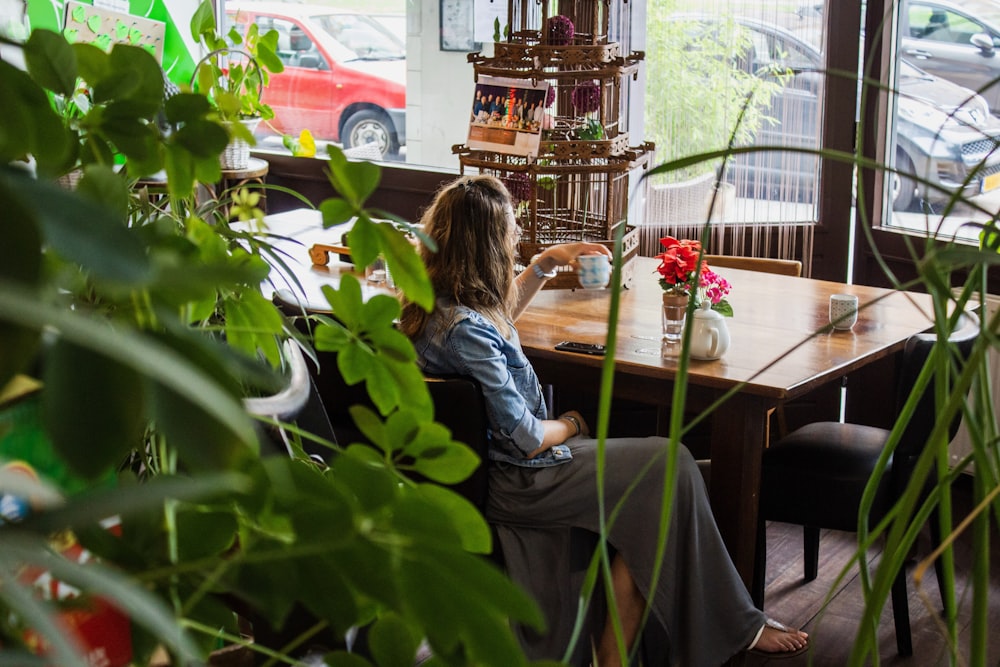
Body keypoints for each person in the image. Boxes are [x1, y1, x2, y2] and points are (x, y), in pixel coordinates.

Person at [398, 175, 808, 667]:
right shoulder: (467, 333)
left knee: (663, 482)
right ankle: (731, 627)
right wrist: (573, 423)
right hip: (523, 478)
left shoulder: (437, 309)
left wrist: (544, 264)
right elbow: (528, 437)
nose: (514, 240)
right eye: (509, 232)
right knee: (669, 464)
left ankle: (627, 654)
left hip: (508, 470)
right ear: (484, 246)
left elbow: (495, 322)